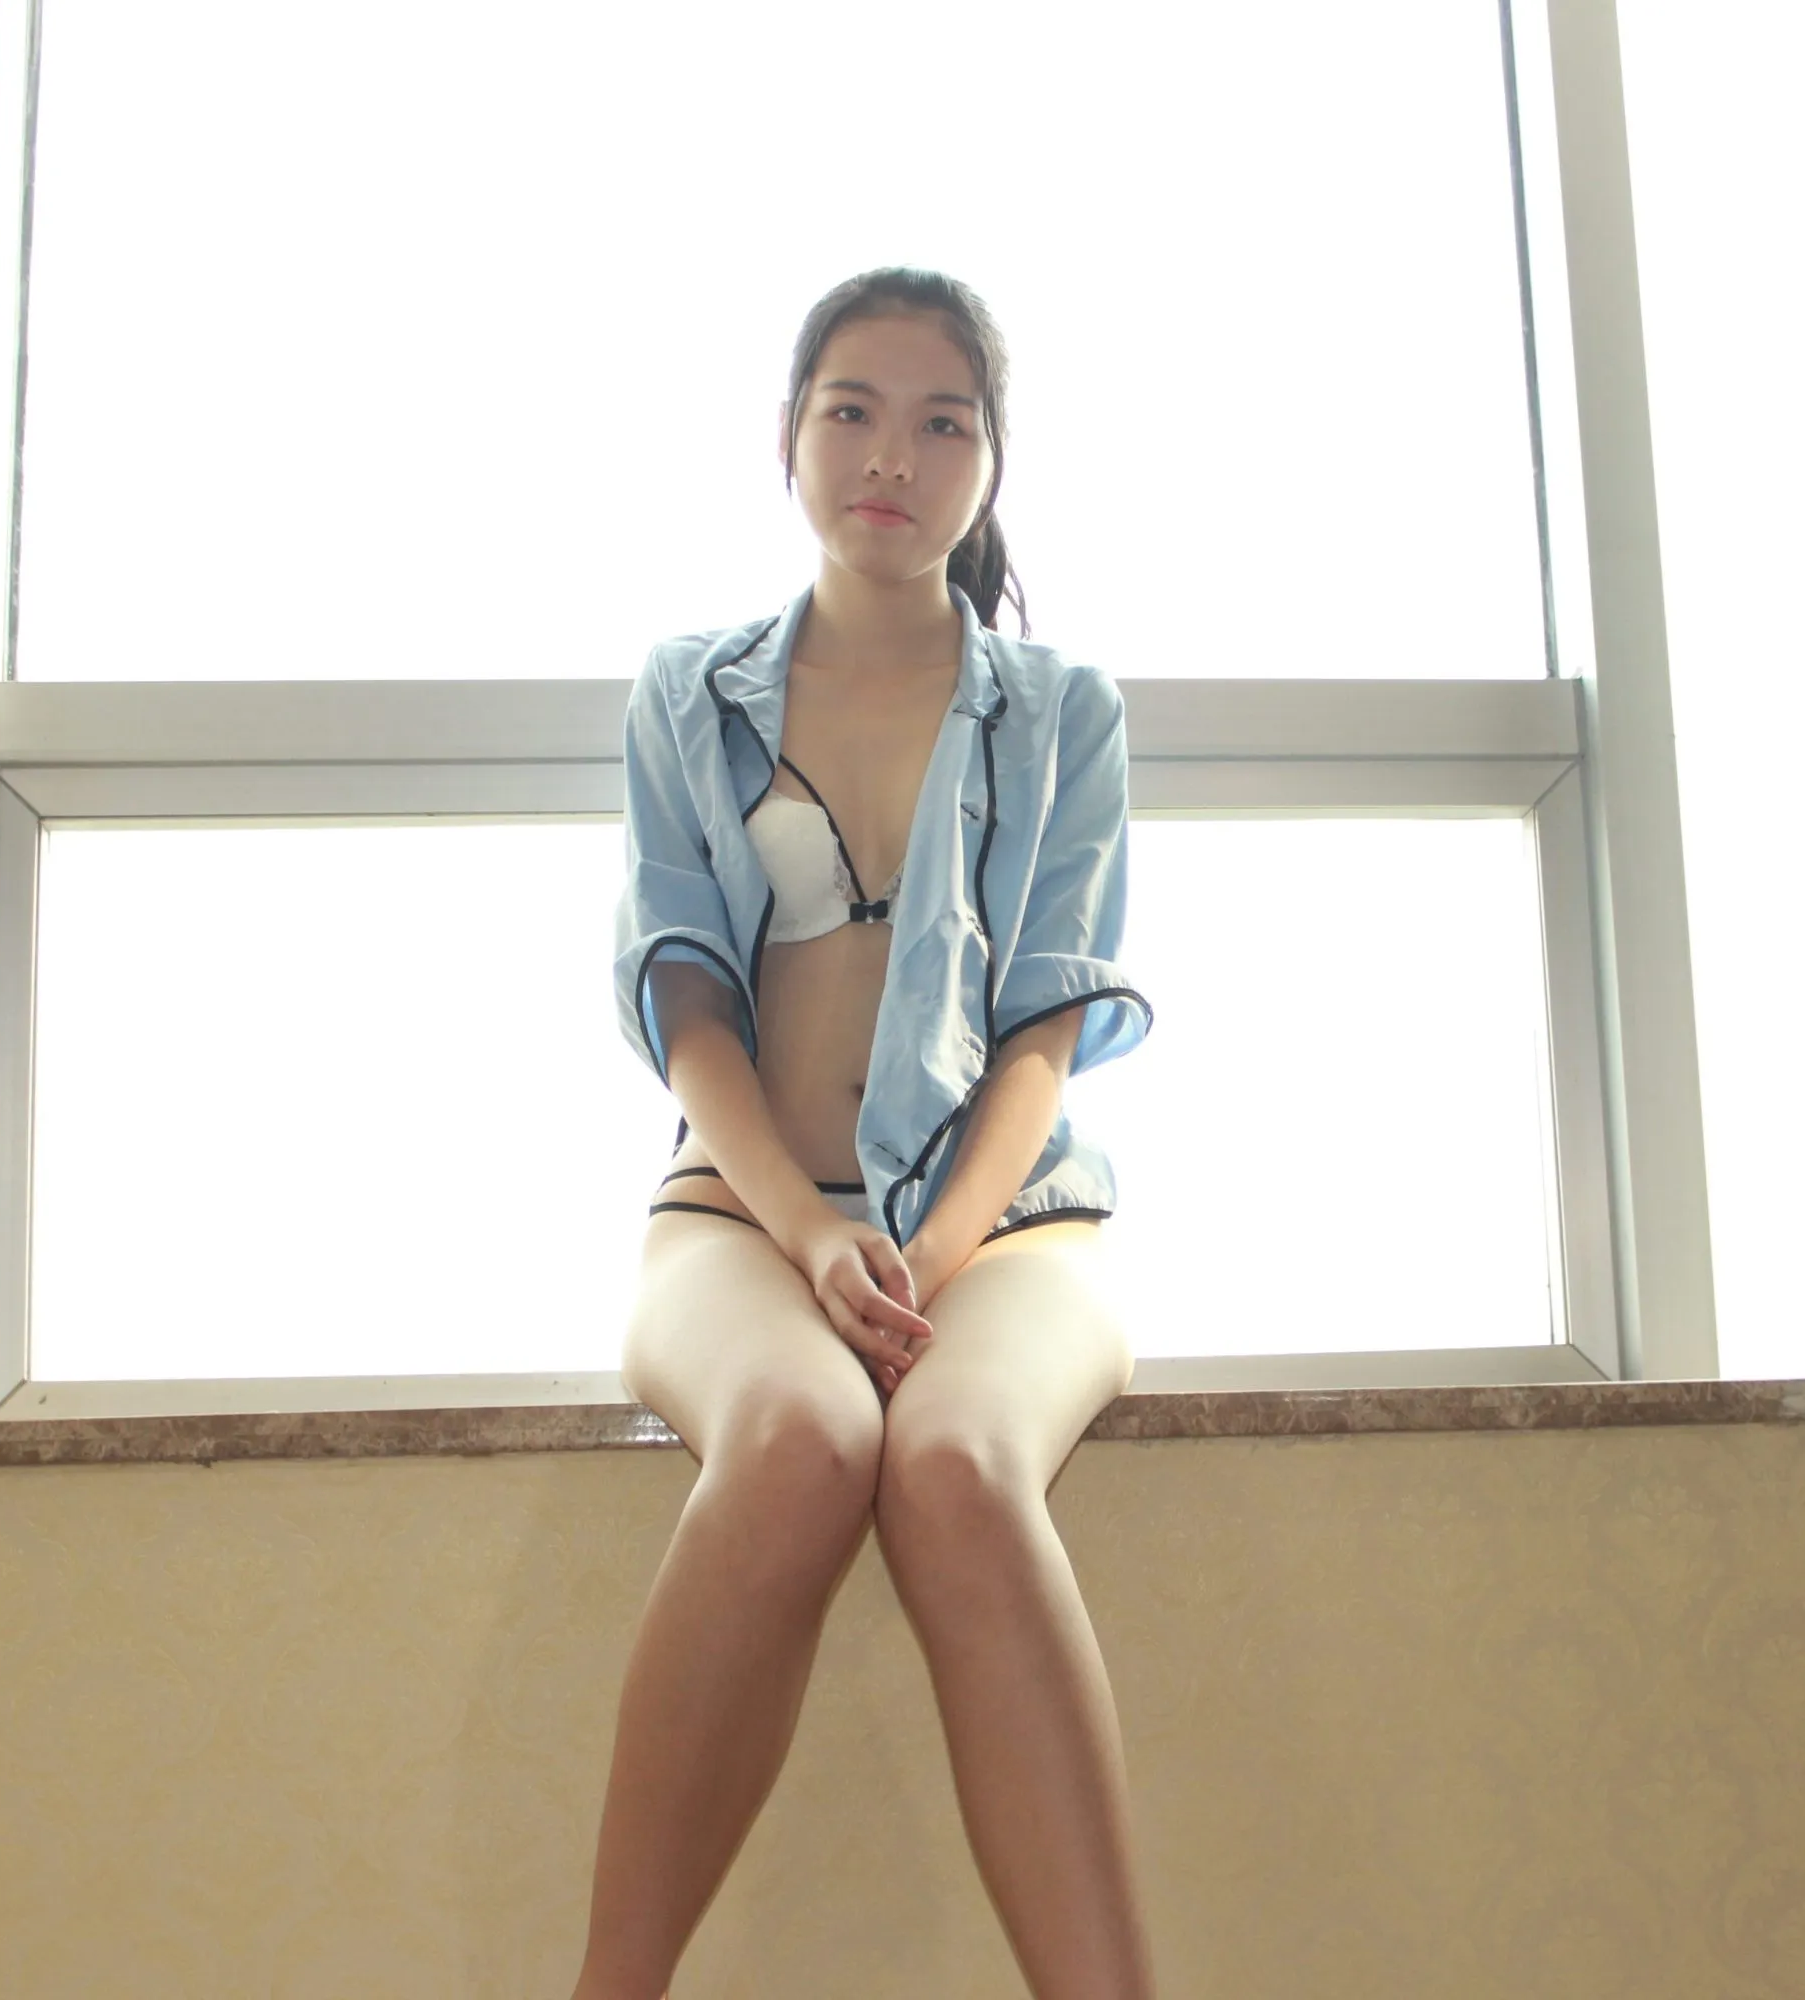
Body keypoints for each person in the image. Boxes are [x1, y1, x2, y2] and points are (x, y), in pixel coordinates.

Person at [577, 267, 1159, 2000]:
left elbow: (1047, 1023)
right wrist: (816, 1233)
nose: (891, 456)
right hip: (743, 1213)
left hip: (1011, 1221)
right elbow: (686, 1001)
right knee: (802, 1441)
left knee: (960, 1466)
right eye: (852, 410)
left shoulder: (1063, 710)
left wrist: (934, 1248)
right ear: (788, 437)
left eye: (941, 422)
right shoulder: (689, 692)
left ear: (991, 463)